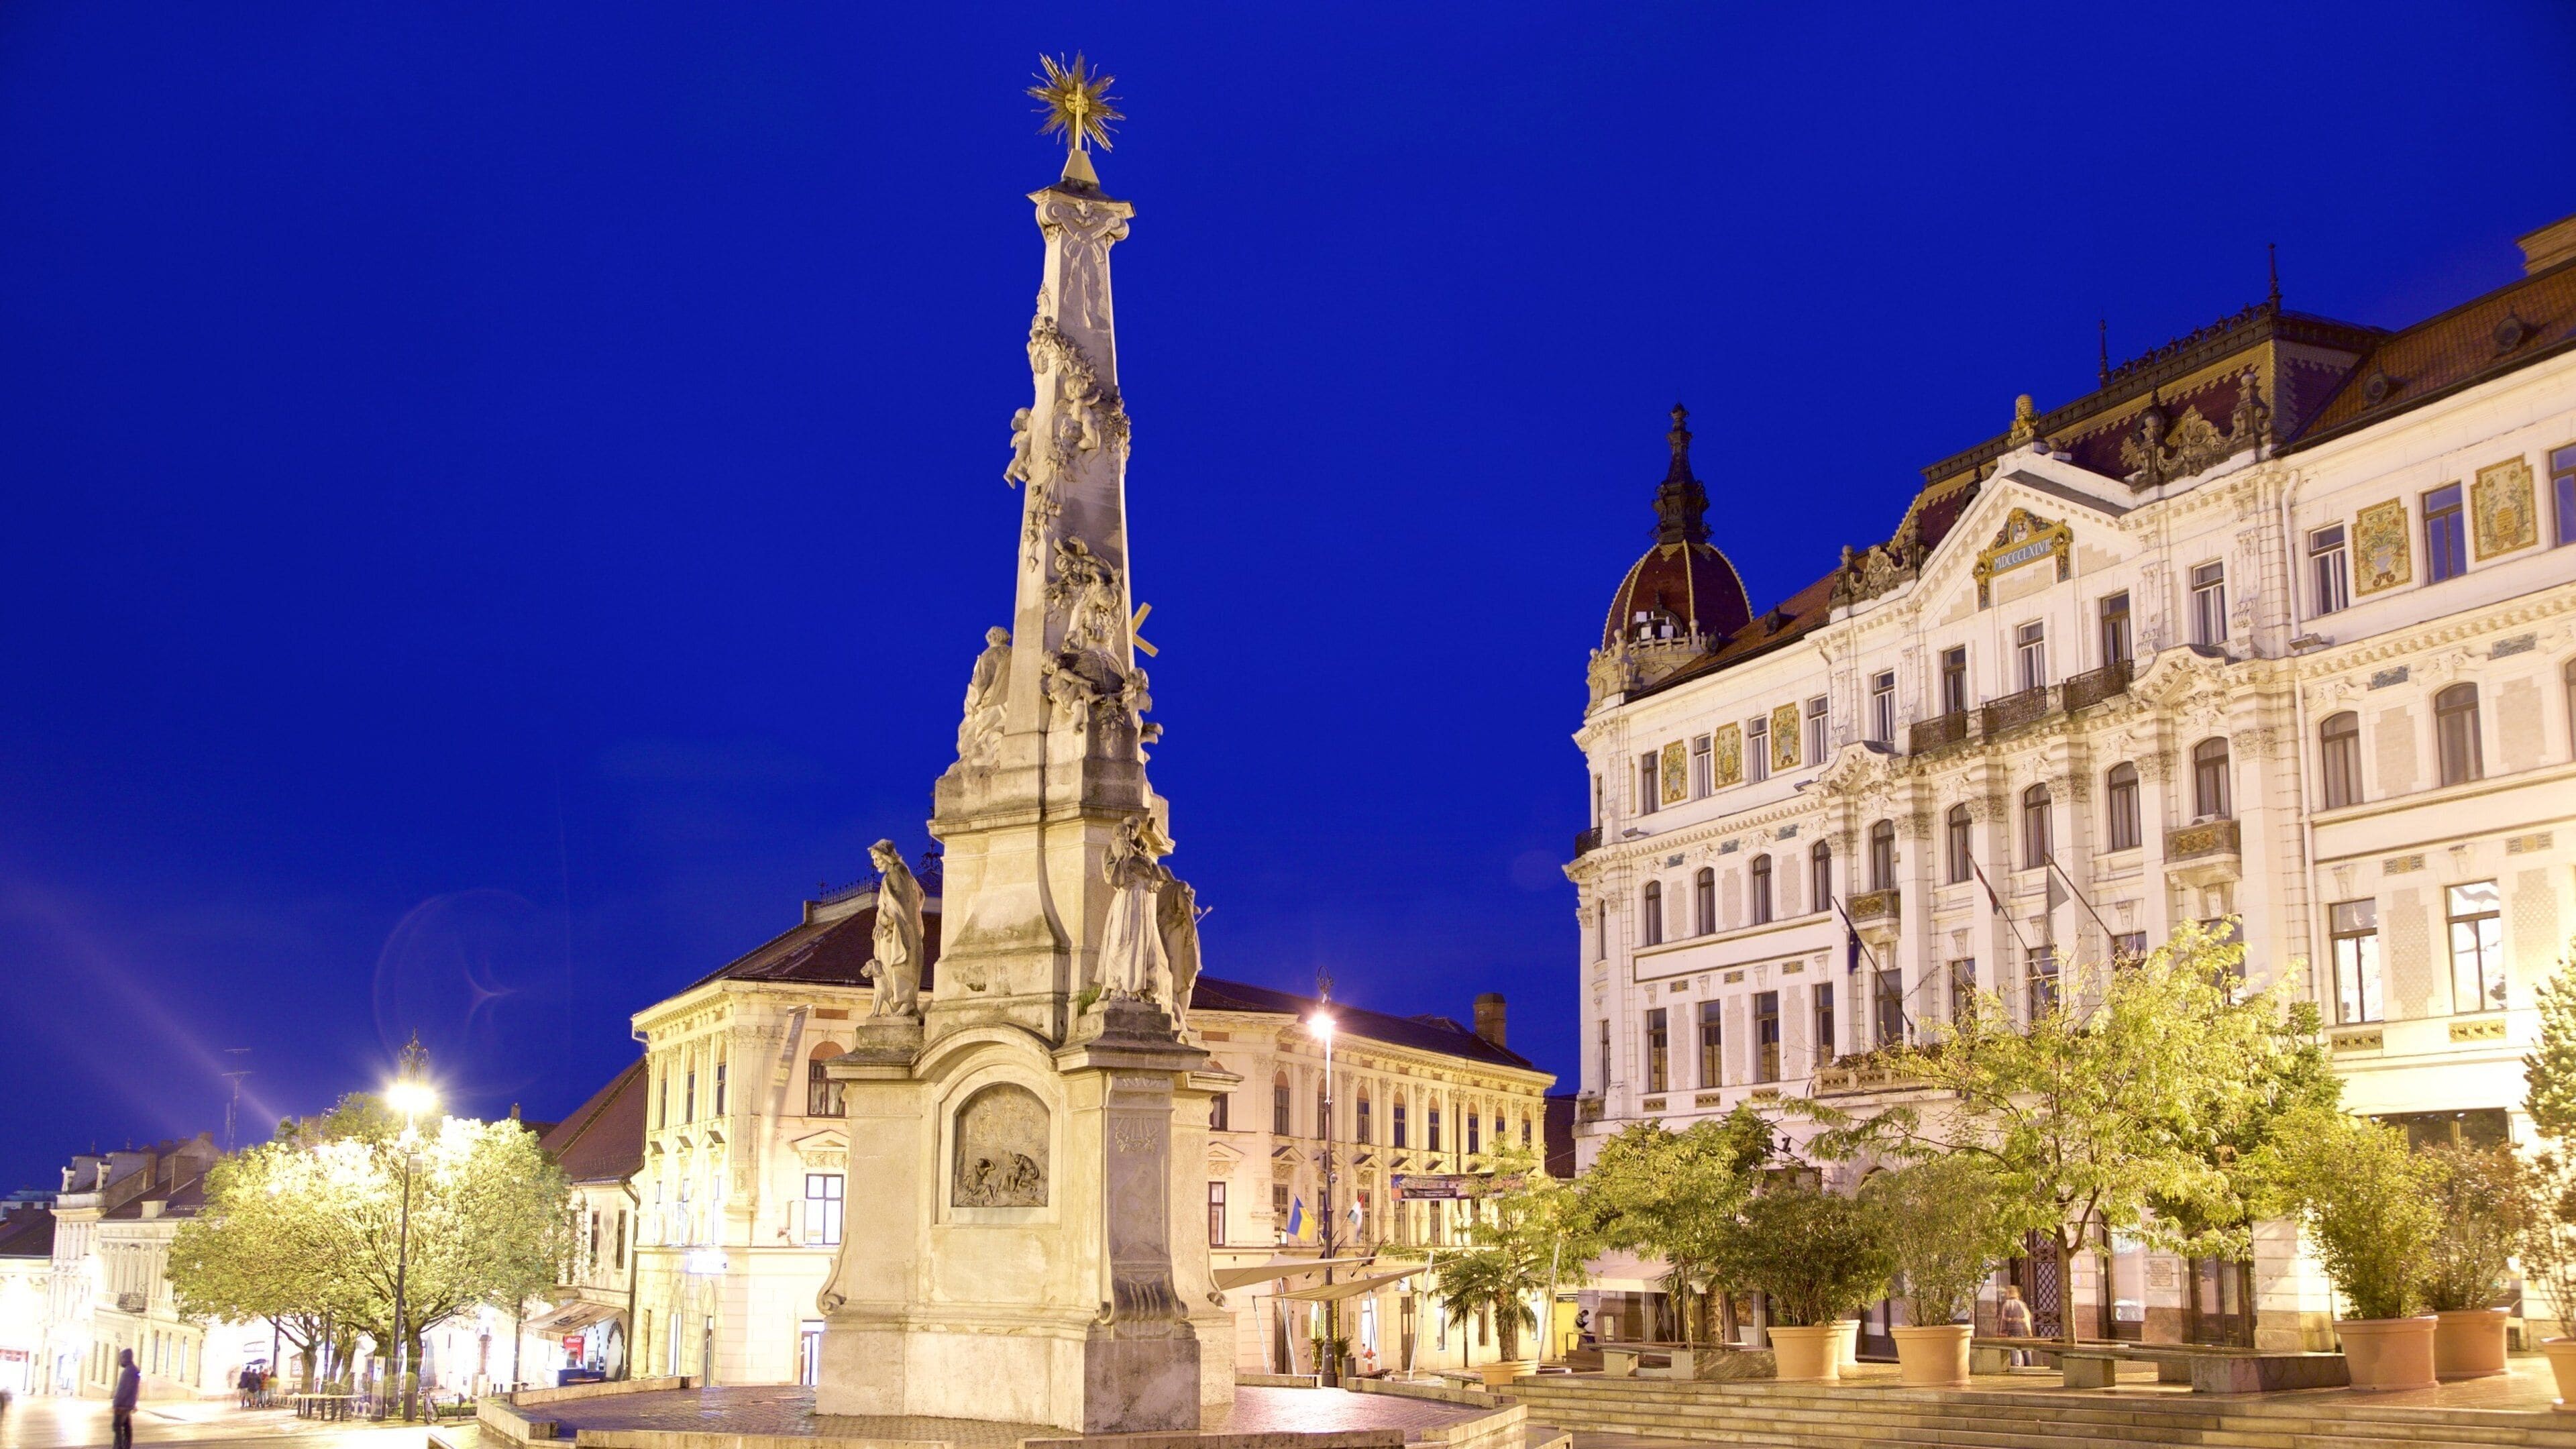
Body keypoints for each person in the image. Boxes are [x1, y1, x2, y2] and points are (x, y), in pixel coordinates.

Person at [1997, 1286, 2035, 1366]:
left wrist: (2001, 1332)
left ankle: (2014, 1366)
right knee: (2025, 1348)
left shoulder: (2007, 1305)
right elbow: (2026, 1319)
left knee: (2013, 1349)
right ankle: (2029, 1366)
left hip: (2011, 1330)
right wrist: (2029, 1331)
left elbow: (2003, 1320)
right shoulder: (2022, 1304)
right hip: (2022, 1330)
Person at [112, 1348, 140, 1449]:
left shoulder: (127, 1372)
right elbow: (135, 1390)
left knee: (117, 1426)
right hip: (129, 1405)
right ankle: (126, 1446)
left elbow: (122, 1390)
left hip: (122, 1405)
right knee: (127, 1427)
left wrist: (116, 1404)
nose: (120, 1360)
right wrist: (133, 1403)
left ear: (125, 1358)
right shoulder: (135, 1370)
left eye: (121, 1358)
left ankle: (119, 1447)